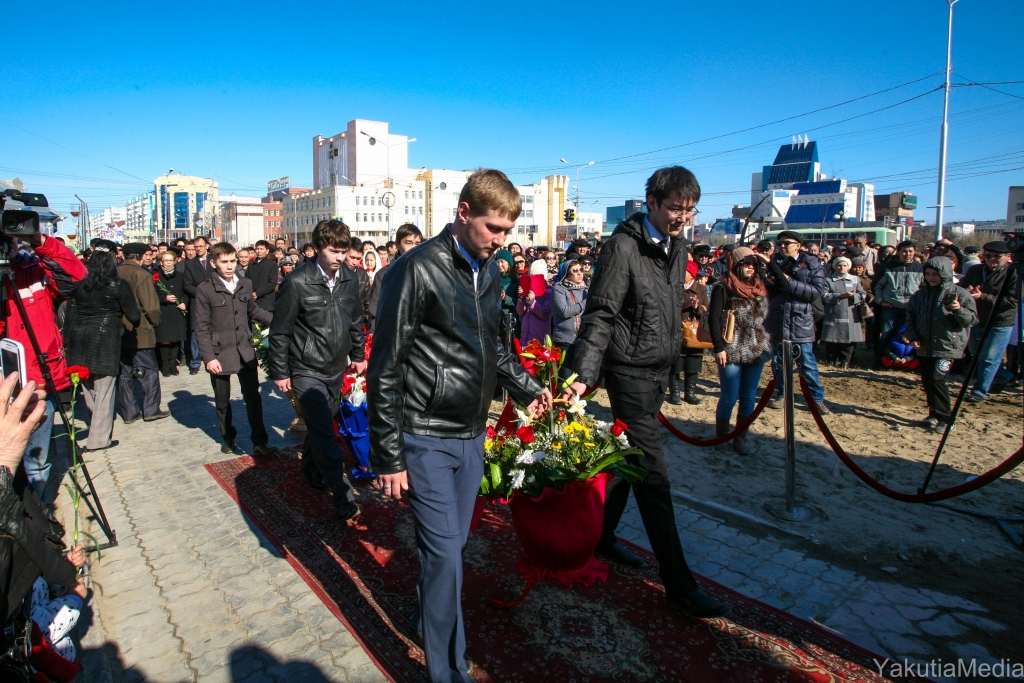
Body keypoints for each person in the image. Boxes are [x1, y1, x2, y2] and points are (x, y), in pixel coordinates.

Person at [368, 169, 548, 683]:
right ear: (464, 213)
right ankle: (448, 671)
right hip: (424, 434)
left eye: (509, 231)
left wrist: (528, 389)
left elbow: (492, 344)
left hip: (472, 433)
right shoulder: (415, 269)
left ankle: (431, 619)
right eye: (494, 228)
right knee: (446, 553)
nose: (502, 240)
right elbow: (386, 366)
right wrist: (387, 456)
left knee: (450, 549)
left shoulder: (490, 269)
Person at [563, 166, 730, 619]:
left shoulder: (677, 247)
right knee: (655, 478)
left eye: (690, 208)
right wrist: (583, 373)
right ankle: (679, 585)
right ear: (651, 203)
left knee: (627, 463)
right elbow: (601, 313)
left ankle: (600, 538)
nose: (683, 216)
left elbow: (663, 300)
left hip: (659, 369)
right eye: (675, 207)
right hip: (628, 372)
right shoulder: (621, 246)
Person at [269, 220, 366, 520]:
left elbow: (355, 320)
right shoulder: (297, 282)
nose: (339, 257)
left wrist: (359, 355)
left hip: (336, 367)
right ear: (317, 248)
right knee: (326, 432)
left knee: (321, 421)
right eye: (333, 251)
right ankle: (342, 495)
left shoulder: (351, 279)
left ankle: (310, 466)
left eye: (343, 251)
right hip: (306, 368)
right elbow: (280, 331)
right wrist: (280, 371)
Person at [1, 230, 87, 500]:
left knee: (36, 459)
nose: (7, 246)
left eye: (9, 239)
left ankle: (39, 513)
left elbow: (76, 276)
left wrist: (39, 241)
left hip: (36, 380)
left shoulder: (33, 269)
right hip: (5, 381)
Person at [194, 243, 275, 455]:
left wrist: (278, 322)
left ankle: (259, 441)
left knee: (253, 398)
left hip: (245, 351)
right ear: (214, 263)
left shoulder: (245, 284)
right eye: (224, 262)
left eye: (232, 261)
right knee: (222, 401)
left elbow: (254, 310)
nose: (230, 266)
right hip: (220, 353)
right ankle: (227, 438)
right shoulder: (205, 290)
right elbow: (201, 328)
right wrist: (208, 357)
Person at [64, 242, 140, 452]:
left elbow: (70, 317)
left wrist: (67, 344)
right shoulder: (118, 285)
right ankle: (99, 439)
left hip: (80, 338)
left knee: (89, 388)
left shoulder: (80, 286)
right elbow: (133, 315)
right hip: (106, 338)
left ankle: (95, 429)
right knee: (105, 390)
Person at [708, 247, 772, 453]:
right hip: (731, 347)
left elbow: (785, 284)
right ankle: (722, 438)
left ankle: (740, 437)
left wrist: (769, 262)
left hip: (756, 348)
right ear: (735, 264)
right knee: (729, 396)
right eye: (746, 264)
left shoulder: (762, 287)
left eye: (754, 264)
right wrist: (719, 348)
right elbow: (714, 318)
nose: (751, 268)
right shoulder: (723, 287)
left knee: (748, 397)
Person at [902, 257, 978, 431]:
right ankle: (933, 413)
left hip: (947, 347)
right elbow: (910, 318)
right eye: (928, 274)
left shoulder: (960, 293)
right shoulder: (919, 295)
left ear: (945, 273)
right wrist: (912, 336)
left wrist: (958, 309)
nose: (931, 277)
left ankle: (946, 417)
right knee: (928, 380)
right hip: (924, 346)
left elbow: (971, 320)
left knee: (937, 379)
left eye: (935, 274)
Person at [765, 231, 828, 413]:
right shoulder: (772, 263)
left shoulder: (812, 264)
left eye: (787, 243)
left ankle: (816, 398)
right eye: (780, 243)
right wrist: (770, 283)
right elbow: (765, 288)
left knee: (807, 363)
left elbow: (815, 292)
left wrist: (788, 282)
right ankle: (782, 393)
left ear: (798, 245)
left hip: (801, 321)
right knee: (778, 363)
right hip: (777, 318)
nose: (782, 246)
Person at [959, 241, 1019, 402]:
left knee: (990, 357)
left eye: (997, 256)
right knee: (975, 352)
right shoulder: (975, 270)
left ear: (1008, 257)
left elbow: (1012, 301)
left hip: (1001, 321)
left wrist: (982, 296)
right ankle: (1005, 375)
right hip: (977, 319)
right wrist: (964, 292)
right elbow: (962, 286)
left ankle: (980, 390)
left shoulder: (1014, 274)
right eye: (988, 256)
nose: (992, 259)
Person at [118, 244, 169, 423]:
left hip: (119, 331)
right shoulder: (141, 274)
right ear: (140, 256)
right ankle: (151, 409)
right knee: (148, 370)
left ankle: (129, 412)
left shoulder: (115, 272)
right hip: (140, 329)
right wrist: (155, 322)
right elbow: (150, 306)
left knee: (124, 373)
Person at [368, 224, 423, 334]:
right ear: (397, 244)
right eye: (409, 243)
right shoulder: (384, 274)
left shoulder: (426, 271)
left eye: (417, 243)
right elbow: (374, 310)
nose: (414, 247)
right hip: (391, 333)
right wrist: (373, 336)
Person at [874, 241, 923, 364]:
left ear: (914, 252)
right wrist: (881, 301)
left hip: (911, 308)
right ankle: (881, 360)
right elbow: (877, 285)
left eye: (910, 251)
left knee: (911, 335)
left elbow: (923, 288)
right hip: (891, 306)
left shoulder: (920, 268)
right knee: (886, 334)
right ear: (898, 252)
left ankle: (910, 361)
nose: (908, 254)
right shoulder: (887, 267)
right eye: (904, 251)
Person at [670, 260, 710, 405]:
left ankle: (690, 393)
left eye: (684, 271)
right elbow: (668, 306)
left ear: (691, 274)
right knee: (675, 363)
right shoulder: (674, 287)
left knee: (693, 363)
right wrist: (684, 305)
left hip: (694, 332)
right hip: (676, 329)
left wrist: (697, 307)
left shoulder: (700, 288)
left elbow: (706, 310)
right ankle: (674, 393)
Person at [820, 256, 866, 369]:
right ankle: (831, 359)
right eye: (839, 265)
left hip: (851, 313)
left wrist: (854, 296)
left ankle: (845, 360)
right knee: (832, 338)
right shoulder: (828, 280)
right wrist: (840, 296)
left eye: (845, 265)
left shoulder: (855, 279)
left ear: (848, 267)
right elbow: (823, 295)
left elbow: (863, 294)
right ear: (834, 267)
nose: (842, 268)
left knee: (849, 340)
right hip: (834, 313)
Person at [551, 259, 588, 377]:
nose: (579, 273)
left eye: (581, 269)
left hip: (584, 339)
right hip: (565, 340)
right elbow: (564, 311)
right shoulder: (559, 288)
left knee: (581, 376)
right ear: (567, 274)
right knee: (565, 376)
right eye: (575, 270)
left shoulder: (587, 289)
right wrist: (585, 304)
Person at [154, 250, 188, 376]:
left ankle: (173, 364)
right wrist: (164, 298)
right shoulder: (156, 276)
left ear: (175, 261)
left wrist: (185, 302)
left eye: (170, 260)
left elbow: (186, 291)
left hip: (177, 311)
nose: (168, 263)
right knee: (164, 339)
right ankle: (165, 365)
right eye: (165, 260)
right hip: (164, 311)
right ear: (161, 262)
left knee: (175, 339)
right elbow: (151, 294)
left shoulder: (180, 275)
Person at [183, 236, 213, 375]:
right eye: (196, 247)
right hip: (197, 301)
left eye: (200, 246)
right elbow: (187, 284)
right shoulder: (189, 264)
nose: (198, 249)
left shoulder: (214, 260)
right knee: (196, 332)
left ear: (207, 246)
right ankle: (195, 362)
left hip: (215, 301)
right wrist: (201, 294)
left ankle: (213, 358)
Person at [517, 260, 552, 346]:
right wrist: (521, 297)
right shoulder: (529, 289)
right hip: (525, 338)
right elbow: (520, 312)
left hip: (540, 340)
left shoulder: (549, 291)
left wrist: (533, 302)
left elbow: (545, 314)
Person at [247, 240, 279, 316]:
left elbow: (272, 283)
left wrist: (258, 293)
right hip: (252, 300)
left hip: (266, 301)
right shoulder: (251, 264)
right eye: (257, 249)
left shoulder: (271, 265)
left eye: (261, 249)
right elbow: (246, 279)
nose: (259, 251)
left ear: (267, 251)